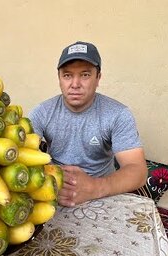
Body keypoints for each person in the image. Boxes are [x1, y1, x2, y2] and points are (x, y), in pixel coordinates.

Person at [28, 41, 147, 207]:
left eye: (85, 75)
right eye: (67, 75)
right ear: (59, 78)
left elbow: (138, 171)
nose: (75, 84)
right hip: (56, 192)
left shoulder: (118, 114)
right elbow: (24, 157)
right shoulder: (42, 112)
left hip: (103, 194)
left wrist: (95, 187)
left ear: (98, 78)